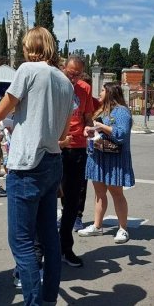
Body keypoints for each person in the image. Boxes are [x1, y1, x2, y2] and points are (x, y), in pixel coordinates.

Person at [0, 26, 74, 306]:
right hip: (52, 161)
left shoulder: (28, 70)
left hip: (27, 163)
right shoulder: (65, 82)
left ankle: (34, 302)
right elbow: (64, 132)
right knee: (49, 239)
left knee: (21, 242)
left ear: (30, 47)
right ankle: (49, 299)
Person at [78, 82, 135, 244]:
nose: (100, 93)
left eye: (103, 90)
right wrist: (89, 130)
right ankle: (97, 226)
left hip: (114, 158)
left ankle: (123, 228)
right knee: (99, 193)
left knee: (117, 193)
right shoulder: (101, 110)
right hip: (98, 156)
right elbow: (92, 126)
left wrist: (102, 127)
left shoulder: (122, 111)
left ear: (110, 93)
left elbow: (122, 134)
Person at [58, 55, 94, 268]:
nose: (73, 78)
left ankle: (65, 248)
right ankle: (40, 252)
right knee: (46, 201)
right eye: (70, 73)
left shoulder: (85, 89)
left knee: (72, 203)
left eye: (77, 74)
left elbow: (87, 117)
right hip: (56, 149)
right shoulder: (55, 84)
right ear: (63, 68)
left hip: (78, 148)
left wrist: (89, 127)